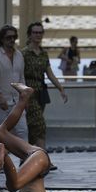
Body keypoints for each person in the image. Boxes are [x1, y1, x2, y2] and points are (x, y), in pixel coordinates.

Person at [22, 22, 68, 171]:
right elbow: (19, 74)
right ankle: (44, 160)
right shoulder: (23, 54)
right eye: (35, 32)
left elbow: (49, 73)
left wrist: (60, 88)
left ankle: (29, 159)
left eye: (40, 32)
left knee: (33, 127)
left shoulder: (43, 53)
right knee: (40, 125)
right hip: (29, 93)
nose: (38, 35)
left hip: (41, 92)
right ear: (29, 34)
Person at [0, 25, 28, 163]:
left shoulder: (19, 55)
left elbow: (21, 76)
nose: (11, 40)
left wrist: (24, 94)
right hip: (1, 102)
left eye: (13, 37)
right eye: (8, 37)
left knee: (22, 130)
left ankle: (25, 160)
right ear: (2, 39)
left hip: (17, 101)